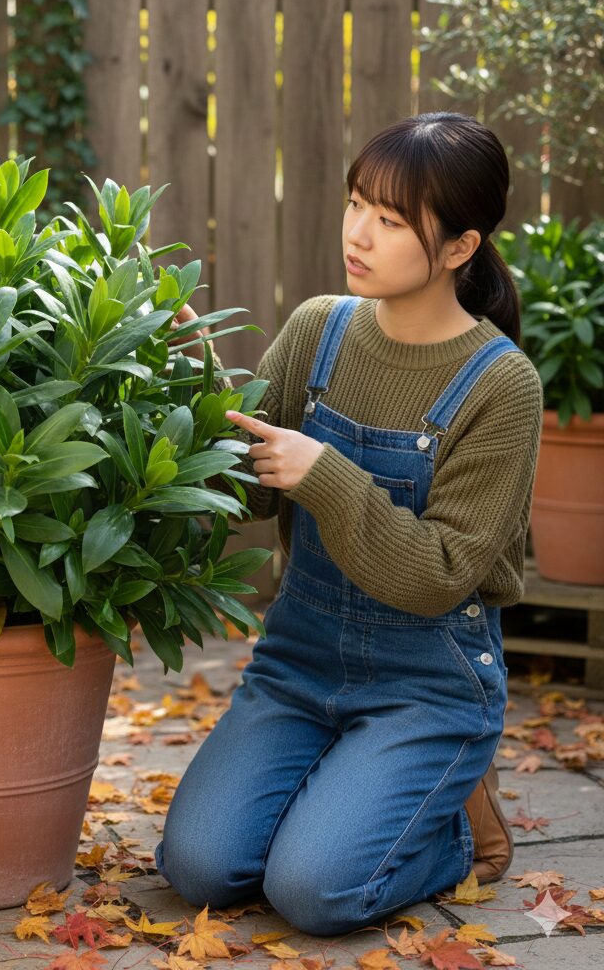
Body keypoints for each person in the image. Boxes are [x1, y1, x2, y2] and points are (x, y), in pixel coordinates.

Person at [157, 112, 543, 936]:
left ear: (460, 248)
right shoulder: (318, 330)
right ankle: (350, 790)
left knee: (314, 893)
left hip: (426, 683)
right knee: (199, 867)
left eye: (392, 220)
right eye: (358, 203)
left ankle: (449, 831)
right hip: (299, 664)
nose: (359, 233)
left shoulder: (502, 387)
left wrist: (327, 476)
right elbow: (254, 495)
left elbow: (440, 574)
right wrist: (193, 391)